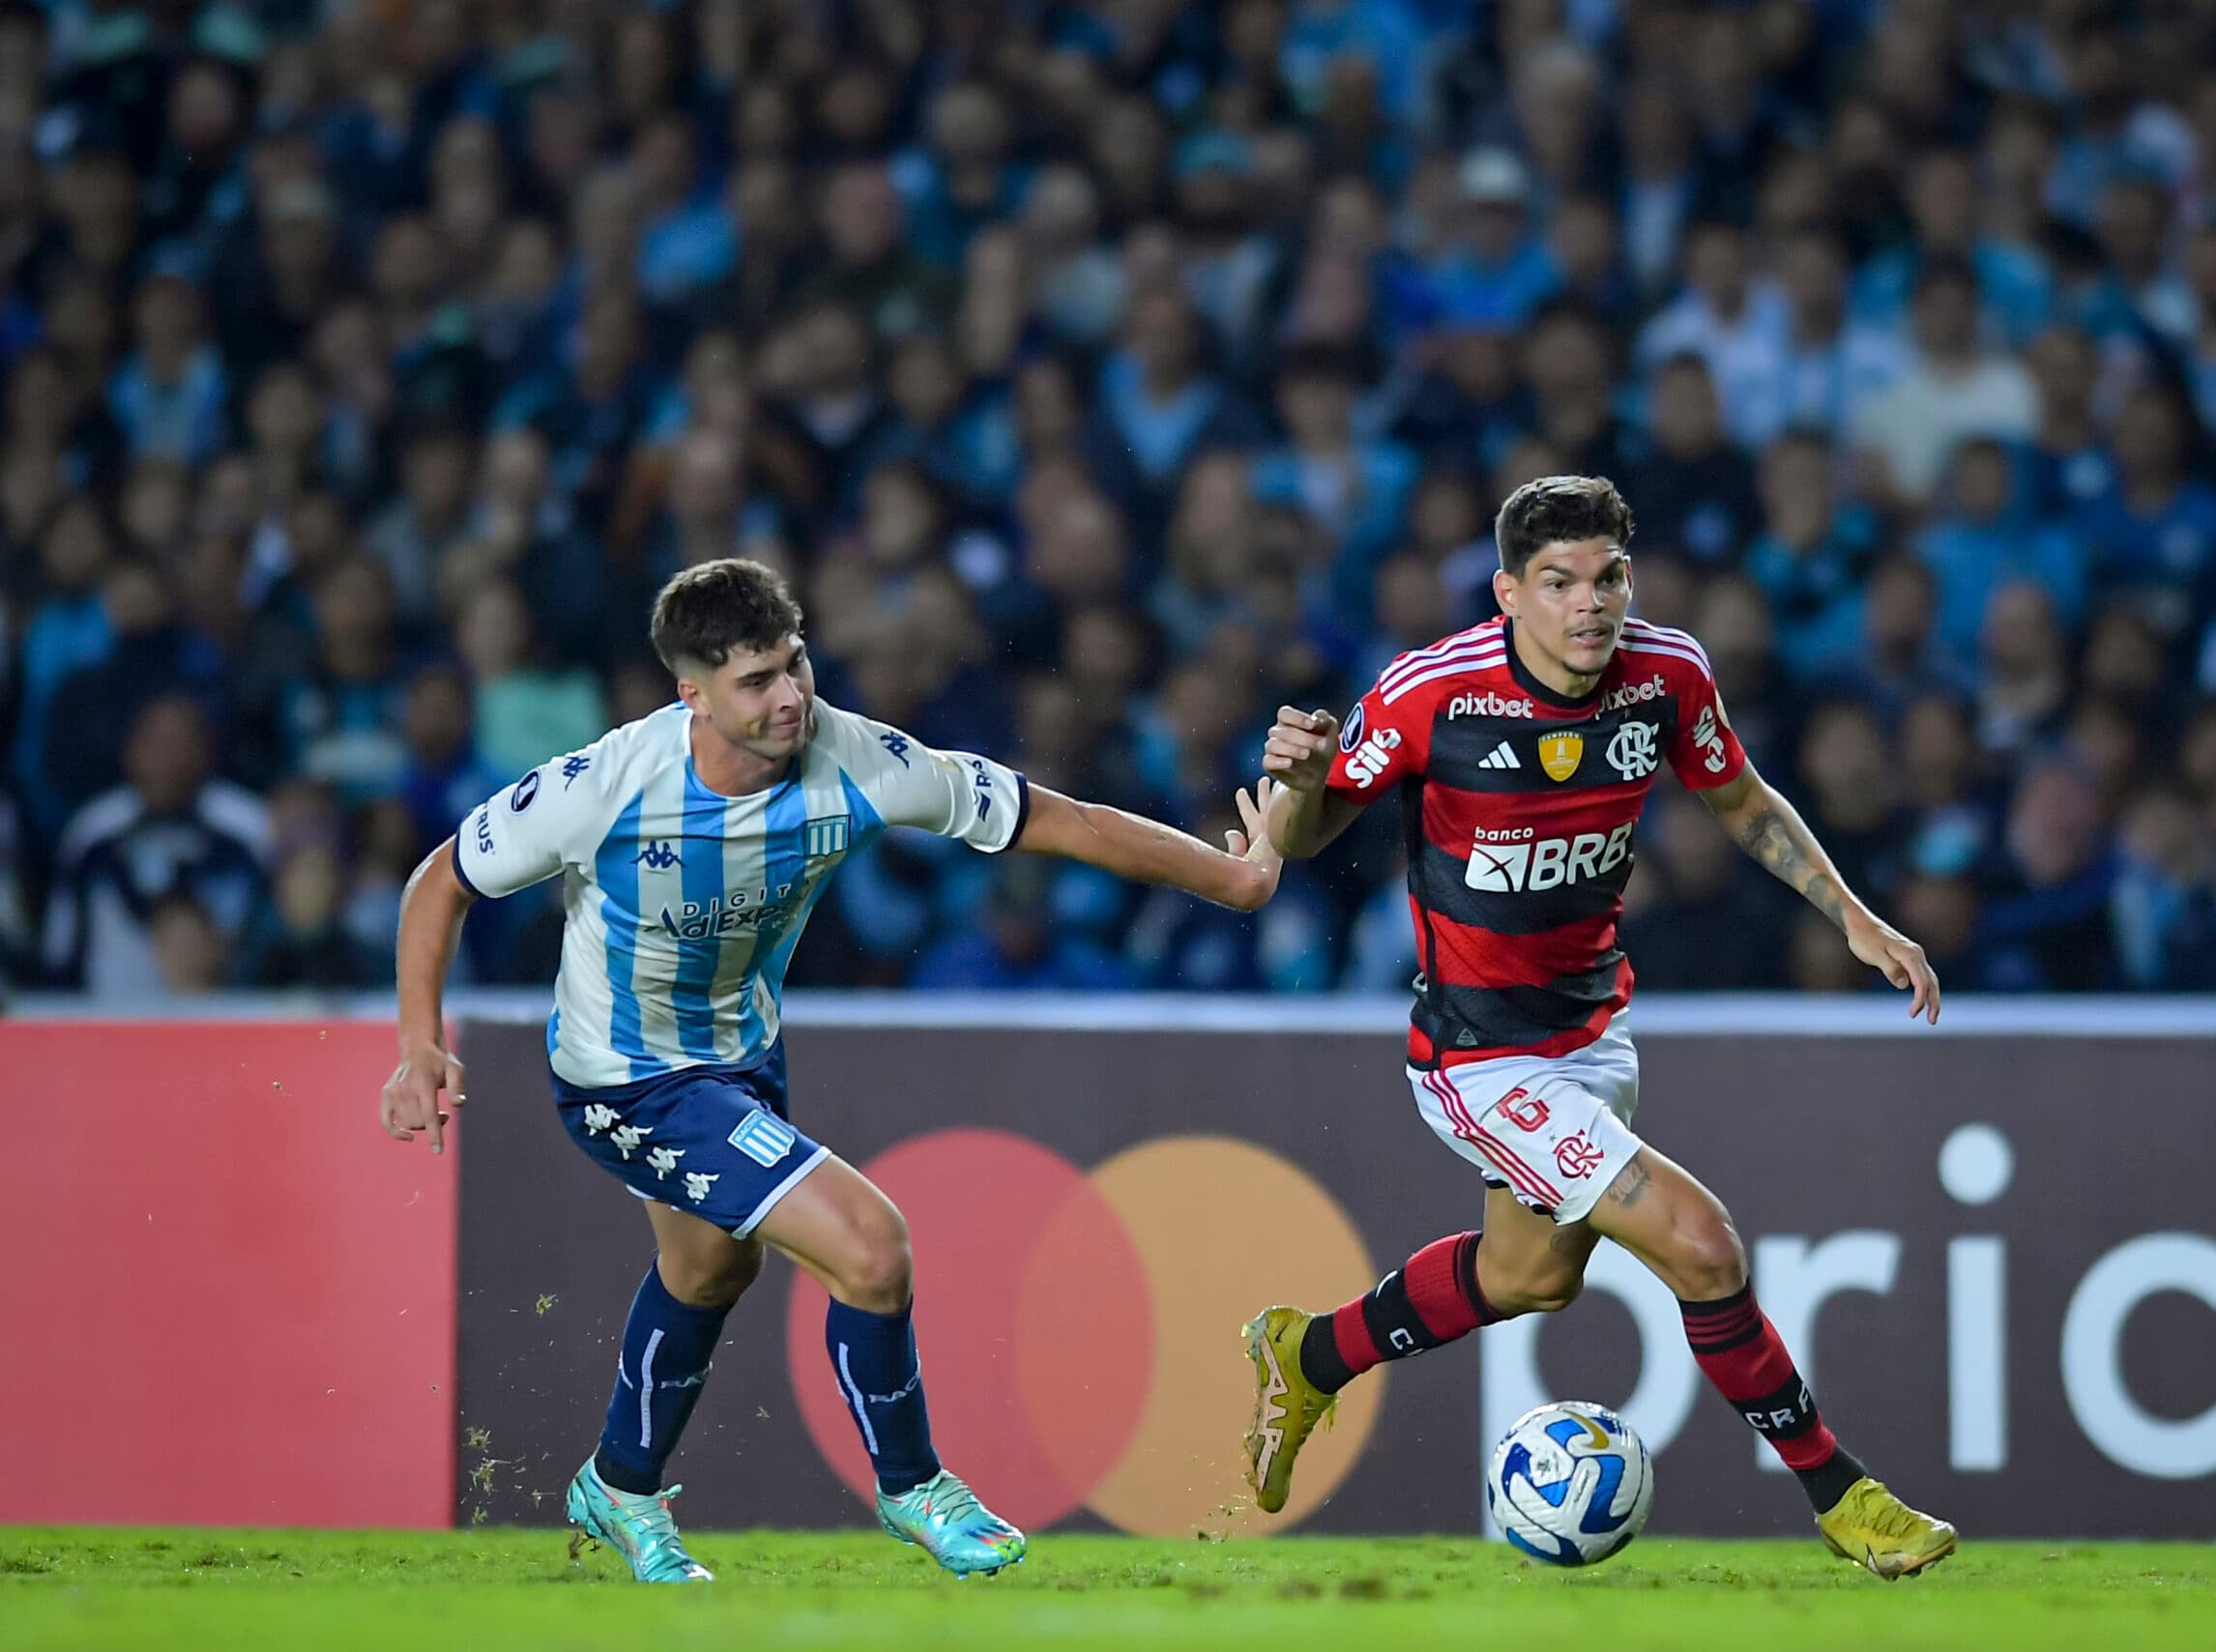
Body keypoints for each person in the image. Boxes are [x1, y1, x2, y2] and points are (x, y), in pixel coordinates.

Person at [380, 559, 1281, 1582]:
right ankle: (915, 1486)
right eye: (756, 680)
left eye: (795, 664)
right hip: (625, 1078)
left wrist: (1235, 880)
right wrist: (418, 1041)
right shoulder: (606, 786)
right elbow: (440, 878)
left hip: (742, 1057)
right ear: (693, 694)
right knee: (872, 1247)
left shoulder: (860, 758)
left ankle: (619, 1483)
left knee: (710, 1269)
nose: (789, 697)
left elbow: (1060, 818)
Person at [1242, 476, 1956, 1579]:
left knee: (1529, 1276)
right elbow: (1304, 831)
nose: (1591, 603)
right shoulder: (1433, 692)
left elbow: (1742, 800)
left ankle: (1310, 1354)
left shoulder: (1667, 676)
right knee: (1702, 1244)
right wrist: (1294, 784)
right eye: (1560, 582)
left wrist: (1853, 917)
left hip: (1591, 1032)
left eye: (1610, 577)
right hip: (1479, 1056)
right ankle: (1843, 1496)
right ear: (1508, 593)